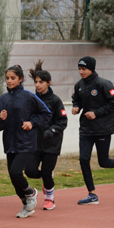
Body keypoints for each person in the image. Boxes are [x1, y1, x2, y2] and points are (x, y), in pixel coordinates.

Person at [71, 56, 114, 203]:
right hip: (86, 129)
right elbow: (77, 99)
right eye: (79, 69)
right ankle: (92, 194)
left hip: (102, 129)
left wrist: (96, 113)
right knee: (83, 159)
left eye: (84, 69)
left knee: (103, 162)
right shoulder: (79, 85)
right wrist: (76, 107)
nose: (81, 72)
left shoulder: (104, 84)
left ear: (92, 68)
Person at [0, 65, 52, 218]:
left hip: (26, 142)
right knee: (13, 177)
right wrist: (1, 119)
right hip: (9, 143)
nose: (9, 81)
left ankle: (31, 192)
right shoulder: (3, 99)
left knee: (16, 172)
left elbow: (46, 114)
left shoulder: (29, 97)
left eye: (13, 78)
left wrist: (32, 123)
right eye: (7, 78)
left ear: (20, 79)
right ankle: (26, 204)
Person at [27, 61, 67, 210]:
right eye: (36, 82)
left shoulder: (56, 101)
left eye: (41, 82)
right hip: (35, 143)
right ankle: (45, 177)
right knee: (30, 171)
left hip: (51, 143)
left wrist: (51, 131)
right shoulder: (31, 99)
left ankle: (49, 198)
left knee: (47, 171)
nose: (38, 85)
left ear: (48, 83)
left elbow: (63, 121)